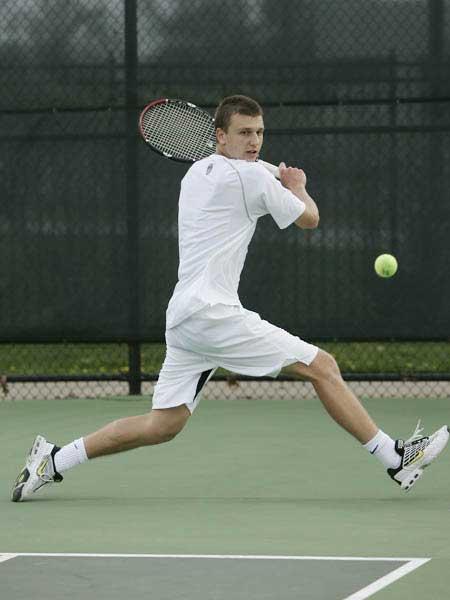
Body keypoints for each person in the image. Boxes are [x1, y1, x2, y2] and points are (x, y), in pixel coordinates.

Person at [11, 95, 448, 502]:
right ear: (219, 136)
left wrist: (269, 176)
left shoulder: (196, 173)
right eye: (243, 133)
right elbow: (310, 219)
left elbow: (241, 185)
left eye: (258, 133)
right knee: (322, 367)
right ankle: (395, 458)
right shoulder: (250, 176)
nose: (254, 141)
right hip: (211, 313)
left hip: (185, 317)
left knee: (163, 425)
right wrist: (297, 184)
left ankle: (52, 460)